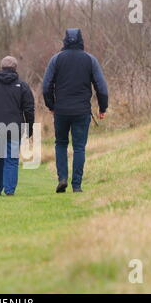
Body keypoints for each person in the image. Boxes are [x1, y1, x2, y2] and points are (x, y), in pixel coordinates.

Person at [43, 28, 109, 193]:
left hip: (61, 111)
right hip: (82, 111)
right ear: (81, 41)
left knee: (61, 144)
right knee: (79, 147)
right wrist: (103, 107)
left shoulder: (56, 60)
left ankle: (62, 178)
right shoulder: (90, 60)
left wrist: (51, 106)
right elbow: (101, 87)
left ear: (65, 41)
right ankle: (77, 185)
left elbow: (46, 86)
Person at [0, 56, 35, 196]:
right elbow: (29, 109)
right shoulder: (22, 86)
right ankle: (9, 191)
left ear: (1, 67)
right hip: (14, 128)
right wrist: (29, 127)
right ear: (15, 68)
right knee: (12, 159)